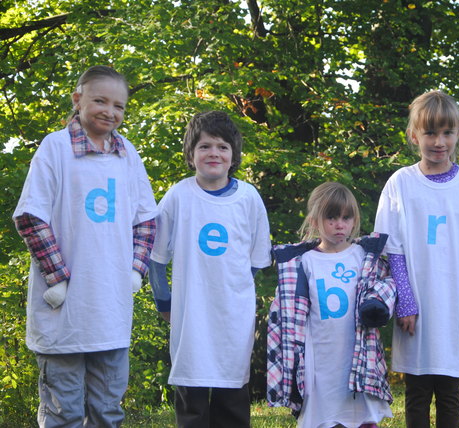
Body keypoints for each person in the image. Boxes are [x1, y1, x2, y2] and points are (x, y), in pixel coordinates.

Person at [13, 65, 157, 427]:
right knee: (65, 412)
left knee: (108, 411)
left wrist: (135, 271)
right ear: (78, 100)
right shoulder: (55, 148)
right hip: (62, 312)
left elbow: (147, 219)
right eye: (100, 100)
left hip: (110, 310)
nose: (110, 111)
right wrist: (58, 277)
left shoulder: (128, 156)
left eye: (119, 106)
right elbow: (31, 216)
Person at [374, 90, 459, 428]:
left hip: (455, 308)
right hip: (415, 307)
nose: (439, 141)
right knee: (417, 391)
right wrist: (406, 303)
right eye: (430, 132)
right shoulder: (401, 183)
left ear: (458, 134)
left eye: (447, 132)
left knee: (449, 392)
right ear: (414, 135)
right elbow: (394, 249)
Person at [148, 110, 271, 428]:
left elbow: (255, 263)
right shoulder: (178, 196)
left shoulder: (249, 199)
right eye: (204, 146)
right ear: (191, 154)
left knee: (232, 403)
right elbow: (156, 259)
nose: (213, 153)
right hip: (190, 320)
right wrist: (165, 303)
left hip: (233, 320)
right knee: (193, 405)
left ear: (233, 156)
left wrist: (231, 294)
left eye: (222, 146)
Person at [266, 182, 396, 428]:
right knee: (326, 418)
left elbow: (389, 285)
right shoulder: (303, 262)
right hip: (321, 358)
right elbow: (286, 310)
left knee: (362, 417)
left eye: (346, 218)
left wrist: (378, 303)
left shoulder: (363, 256)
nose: (340, 225)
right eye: (332, 218)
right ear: (315, 221)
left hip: (357, 354)